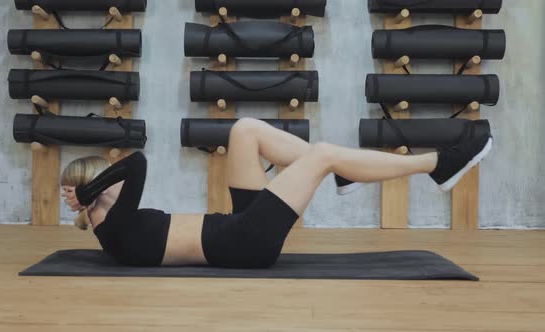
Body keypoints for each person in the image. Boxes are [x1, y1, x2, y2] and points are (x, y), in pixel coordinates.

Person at [61, 118, 493, 268]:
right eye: (104, 178)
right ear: (95, 189)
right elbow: (136, 163)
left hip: (234, 228)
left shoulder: (115, 222)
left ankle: (345, 173)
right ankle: (436, 164)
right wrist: (88, 192)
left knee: (244, 131)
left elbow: (129, 167)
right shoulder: (110, 229)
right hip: (244, 242)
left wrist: (91, 189)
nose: (114, 178)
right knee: (322, 153)